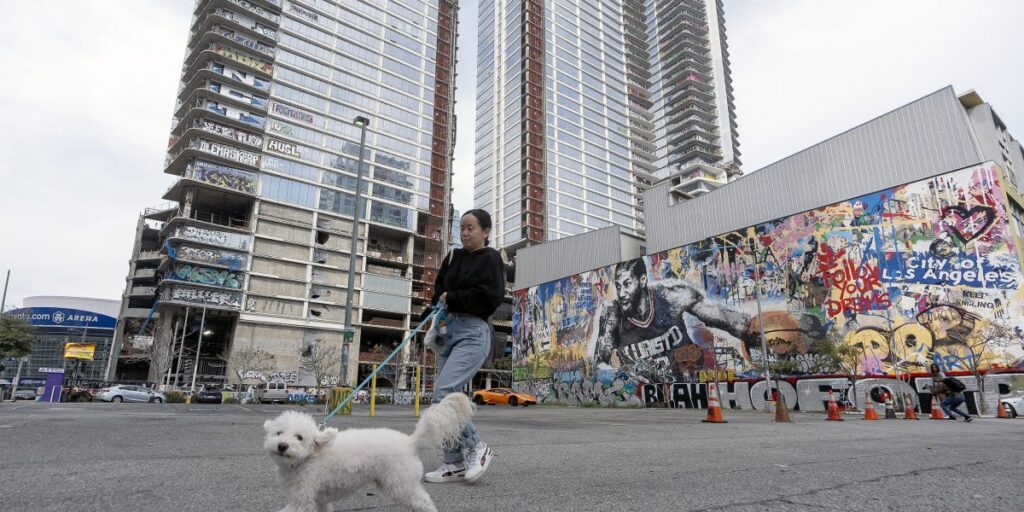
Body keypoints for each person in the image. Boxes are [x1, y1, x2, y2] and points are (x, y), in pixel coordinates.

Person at [421, 209, 505, 484]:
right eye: (463, 227)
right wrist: (434, 306)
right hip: (449, 331)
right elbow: (438, 290)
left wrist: (453, 297)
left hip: (473, 332)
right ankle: (452, 463)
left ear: (486, 231)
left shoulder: (491, 258)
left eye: (472, 228)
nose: (466, 232)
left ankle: (478, 447)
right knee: (441, 399)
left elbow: (490, 297)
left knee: (445, 393)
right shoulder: (454, 256)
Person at [594, 258, 750, 381]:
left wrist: (752, 331)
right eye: (618, 286)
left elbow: (720, 316)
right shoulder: (612, 314)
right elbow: (599, 364)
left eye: (627, 284)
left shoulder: (670, 295)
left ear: (642, 280)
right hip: (646, 397)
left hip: (689, 385)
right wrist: (620, 374)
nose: (621, 293)